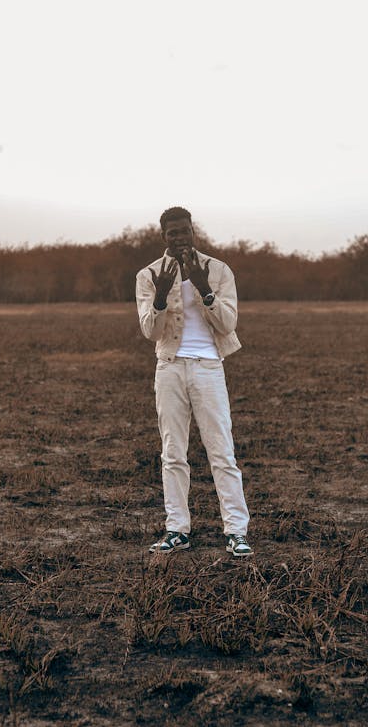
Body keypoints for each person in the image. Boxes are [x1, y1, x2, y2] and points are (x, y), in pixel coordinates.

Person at [135, 206, 253, 557]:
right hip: (169, 367)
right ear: (163, 236)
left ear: (193, 231)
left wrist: (205, 291)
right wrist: (160, 297)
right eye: (172, 233)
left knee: (222, 452)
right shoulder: (149, 275)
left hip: (208, 367)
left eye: (184, 230)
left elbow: (228, 324)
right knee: (173, 452)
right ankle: (177, 529)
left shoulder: (217, 270)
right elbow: (148, 331)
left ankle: (236, 531)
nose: (179, 237)